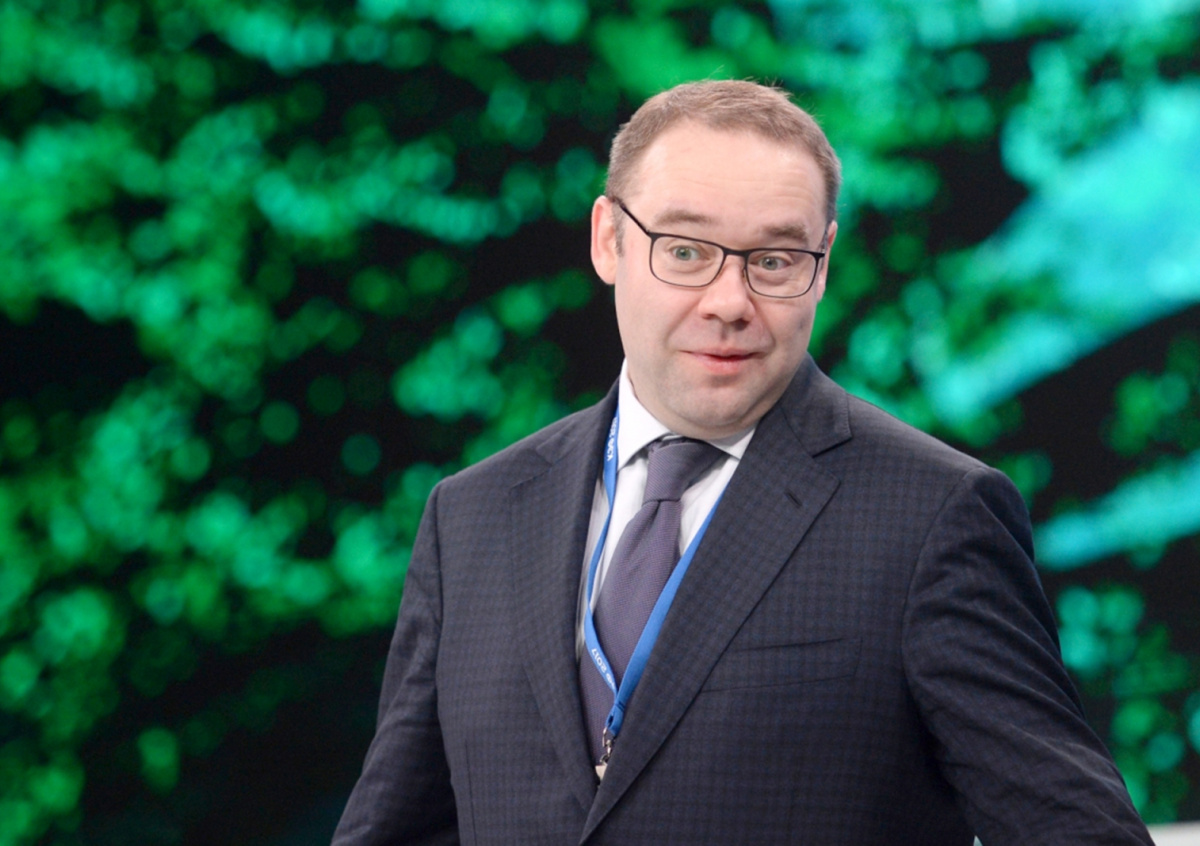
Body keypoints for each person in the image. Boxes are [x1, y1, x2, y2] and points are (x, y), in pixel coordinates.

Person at [332, 80, 1152, 845]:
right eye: (686, 251)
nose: (729, 302)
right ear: (608, 240)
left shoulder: (934, 516)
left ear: (823, 264)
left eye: (774, 261)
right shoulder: (471, 517)